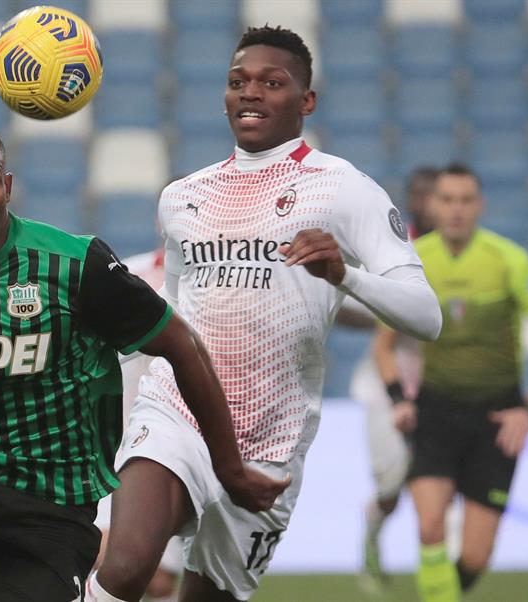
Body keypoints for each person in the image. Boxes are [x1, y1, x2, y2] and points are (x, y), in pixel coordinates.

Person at [0, 122, 289, 602]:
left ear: (7, 187)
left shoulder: (76, 265)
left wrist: (229, 468)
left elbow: (182, 345)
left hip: (50, 500)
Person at [87, 26, 442, 602]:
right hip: (179, 411)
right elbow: (174, 315)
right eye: (237, 82)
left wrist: (344, 276)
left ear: (306, 101)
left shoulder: (342, 189)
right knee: (125, 567)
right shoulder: (182, 197)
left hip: (273, 435)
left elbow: (427, 316)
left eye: (271, 83)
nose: (250, 93)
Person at [381, 163, 528, 602]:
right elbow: (384, 347)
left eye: (465, 200)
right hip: (436, 412)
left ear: (480, 206)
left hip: (496, 418)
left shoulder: (508, 260)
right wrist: (399, 398)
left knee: (474, 558)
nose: (456, 210)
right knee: (430, 526)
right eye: (448, 200)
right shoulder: (414, 261)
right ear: (433, 205)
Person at [347, 166, 439, 589]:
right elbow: (366, 310)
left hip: (440, 388)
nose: (428, 202)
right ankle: (372, 532)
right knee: (391, 485)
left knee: (438, 482)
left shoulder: (464, 255)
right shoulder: (396, 252)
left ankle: (437, 568)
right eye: (421, 194)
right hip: (386, 388)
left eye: (434, 194)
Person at [94, 246, 184, 602]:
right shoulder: (128, 273)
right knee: (108, 556)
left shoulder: (215, 278)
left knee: (160, 580)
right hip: (115, 440)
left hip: (179, 440)